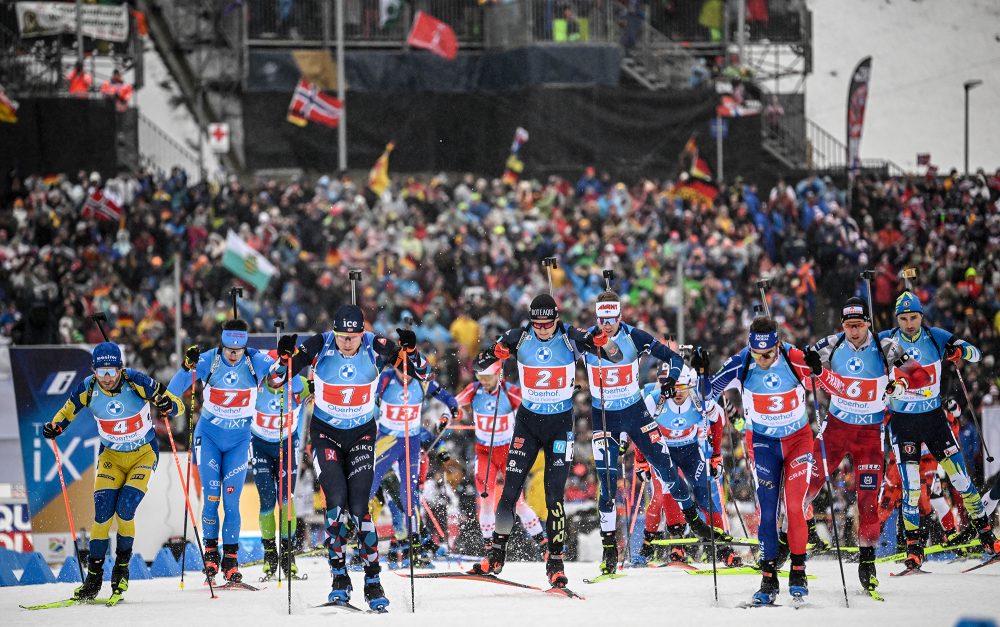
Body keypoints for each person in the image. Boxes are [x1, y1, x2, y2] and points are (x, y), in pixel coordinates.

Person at [273, 304, 427, 611]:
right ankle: (339, 578)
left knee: (359, 507)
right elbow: (278, 381)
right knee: (336, 503)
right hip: (325, 435)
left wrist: (412, 351)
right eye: (342, 336)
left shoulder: (375, 345)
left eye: (352, 336)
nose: (346, 342)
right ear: (334, 332)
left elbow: (422, 372)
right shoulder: (320, 344)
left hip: (361, 435)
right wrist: (284, 358)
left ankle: (373, 580)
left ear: (361, 333)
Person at [470, 293, 623, 589]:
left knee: (554, 496)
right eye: (537, 324)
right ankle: (496, 553)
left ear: (556, 319)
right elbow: (480, 362)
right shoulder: (518, 337)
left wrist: (602, 342)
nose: (542, 330)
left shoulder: (570, 338)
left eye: (547, 324)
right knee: (510, 491)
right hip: (527, 425)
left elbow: (614, 356)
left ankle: (554, 562)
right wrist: (496, 353)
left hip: (559, 427)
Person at [702, 315, 848, 605]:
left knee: (794, 506)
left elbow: (838, 389)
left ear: (778, 345)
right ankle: (768, 578)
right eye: (758, 354)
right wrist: (702, 374)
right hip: (763, 445)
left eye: (768, 354)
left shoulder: (794, 358)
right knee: (767, 512)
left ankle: (798, 569)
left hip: (797, 442)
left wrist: (818, 371)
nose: (764, 360)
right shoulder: (743, 361)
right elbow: (704, 395)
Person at [584, 291, 730, 577]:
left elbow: (674, 359)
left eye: (612, 320)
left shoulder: (634, 336)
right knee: (608, 484)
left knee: (666, 469)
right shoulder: (585, 340)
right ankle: (609, 549)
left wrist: (672, 381)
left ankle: (694, 522)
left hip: (636, 414)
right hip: (604, 420)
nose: (607, 326)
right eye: (602, 320)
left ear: (620, 317)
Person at [804, 297, 927, 592]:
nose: (854, 331)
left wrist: (899, 384)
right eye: (849, 326)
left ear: (868, 324)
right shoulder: (831, 344)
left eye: (859, 325)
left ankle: (867, 561)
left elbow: (919, 375)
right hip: (835, 429)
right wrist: (810, 364)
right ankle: (787, 544)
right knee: (807, 482)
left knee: (868, 500)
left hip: (869, 434)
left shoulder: (886, 347)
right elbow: (802, 358)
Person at [43, 342, 182, 601]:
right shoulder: (88, 387)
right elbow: (67, 411)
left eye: (111, 371)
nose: (106, 378)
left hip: (143, 455)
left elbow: (177, 406)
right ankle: (93, 580)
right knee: (103, 515)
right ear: (93, 370)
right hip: (111, 458)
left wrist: (167, 405)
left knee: (125, 510)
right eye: (101, 371)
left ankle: (121, 571)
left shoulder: (137, 381)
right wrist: (55, 427)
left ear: (120, 368)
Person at [879, 291, 1000, 572]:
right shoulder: (886, 339)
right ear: (897, 319)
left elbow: (976, 353)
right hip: (903, 422)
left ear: (922, 316)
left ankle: (988, 539)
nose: (909, 323)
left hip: (934, 420)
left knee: (962, 481)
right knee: (910, 489)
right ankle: (913, 551)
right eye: (904, 318)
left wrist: (959, 350)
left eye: (914, 317)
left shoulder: (935, 336)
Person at [167, 318, 275, 585]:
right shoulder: (209, 360)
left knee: (231, 501)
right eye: (229, 349)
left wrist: (284, 360)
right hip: (210, 438)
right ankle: (211, 555)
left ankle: (231, 561)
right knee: (212, 497)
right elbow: (173, 390)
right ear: (222, 344)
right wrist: (186, 366)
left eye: (238, 350)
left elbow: (284, 377)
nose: (233, 355)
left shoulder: (255, 361)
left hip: (239, 442)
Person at [637, 363, 740, 567]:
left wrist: (717, 455)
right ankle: (677, 544)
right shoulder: (655, 399)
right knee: (670, 492)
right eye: (675, 388)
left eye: (684, 388)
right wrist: (641, 461)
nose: (678, 393)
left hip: (690, 451)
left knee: (704, 492)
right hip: (664, 452)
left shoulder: (699, 398)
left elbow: (718, 421)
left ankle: (722, 548)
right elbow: (639, 427)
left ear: (691, 385)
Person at [369, 362, 457, 566]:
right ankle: (366, 547)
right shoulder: (385, 384)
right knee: (390, 508)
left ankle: (413, 549)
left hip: (410, 469)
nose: (406, 377)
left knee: (410, 504)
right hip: (387, 471)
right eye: (402, 371)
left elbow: (439, 439)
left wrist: (443, 452)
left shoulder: (421, 388)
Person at [455, 360, 548, 553]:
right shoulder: (474, 390)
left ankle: (542, 543)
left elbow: (533, 407)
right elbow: (453, 404)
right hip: (484, 453)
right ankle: (490, 548)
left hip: (507, 452)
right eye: (481, 377)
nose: (484, 382)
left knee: (518, 502)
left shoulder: (510, 391)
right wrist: (450, 415)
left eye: (488, 377)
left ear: (499, 374)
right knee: (486, 502)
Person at [251, 366, 310, 581]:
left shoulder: (298, 383)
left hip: (287, 447)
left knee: (286, 500)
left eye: (281, 382)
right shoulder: (256, 384)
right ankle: (270, 554)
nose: (276, 385)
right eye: (272, 381)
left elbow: (321, 392)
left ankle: (288, 555)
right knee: (266, 500)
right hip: (260, 447)